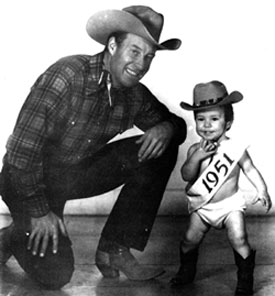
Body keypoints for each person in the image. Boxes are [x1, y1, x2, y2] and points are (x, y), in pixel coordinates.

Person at [0, 5, 187, 289]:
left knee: (163, 145)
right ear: (113, 45)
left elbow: (174, 125)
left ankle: (114, 248)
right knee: (56, 275)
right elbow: (20, 155)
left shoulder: (133, 93)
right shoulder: (66, 76)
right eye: (135, 51)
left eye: (149, 56)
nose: (141, 64)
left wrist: (168, 126)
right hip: (25, 180)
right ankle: (13, 235)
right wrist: (38, 212)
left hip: (71, 175)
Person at [170, 80, 272, 295]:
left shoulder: (235, 149)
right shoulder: (195, 149)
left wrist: (262, 190)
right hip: (203, 207)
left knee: (239, 238)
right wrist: (197, 157)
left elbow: (250, 169)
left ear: (227, 123)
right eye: (200, 119)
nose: (206, 125)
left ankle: (245, 279)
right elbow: (186, 175)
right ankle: (186, 271)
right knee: (189, 239)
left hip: (230, 205)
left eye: (214, 119)